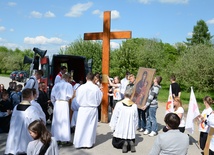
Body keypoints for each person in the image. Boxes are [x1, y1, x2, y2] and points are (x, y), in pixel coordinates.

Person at [4, 88, 41, 155]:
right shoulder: (32, 109)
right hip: (26, 138)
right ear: (31, 96)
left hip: (14, 137)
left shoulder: (16, 107)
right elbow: (36, 124)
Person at [73, 72, 103, 148]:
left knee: (81, 126)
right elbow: (99, 99)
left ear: (86, 78)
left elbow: (77, 99)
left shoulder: (81, 87)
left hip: (83, 108)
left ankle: (79, 143)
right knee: (90, 126)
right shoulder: (96, 88)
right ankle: (88, 143)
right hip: (92, 109)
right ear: (93, 79)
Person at [109, 88, 138, 153]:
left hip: (120, 125)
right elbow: (136, 118)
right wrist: (135, 128)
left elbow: (115, 116)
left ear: (124, 94)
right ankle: (130, 142)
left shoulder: (119, 104)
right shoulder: (134, 106)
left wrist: (113, 127)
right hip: (130, 127)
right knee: (130, 135)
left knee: (115, 143)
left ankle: (123, 143)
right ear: (131, 95)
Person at [51, 73, 74, 146]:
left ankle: (56, 139)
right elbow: (70, 95)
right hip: (64, 103)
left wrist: (55, 103)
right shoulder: (68, 85)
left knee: (57, 121)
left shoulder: (56, 85)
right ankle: (65, 139)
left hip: (57, 103)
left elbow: (52, 96)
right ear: (67, 79)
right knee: (65, 121)